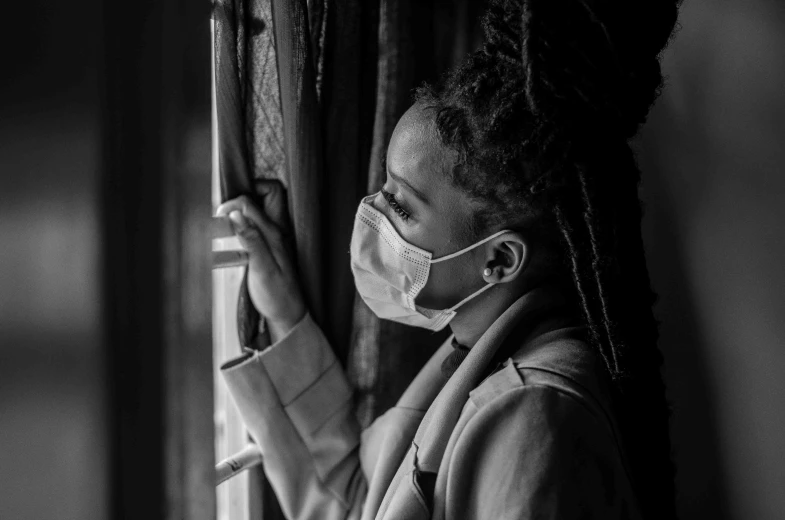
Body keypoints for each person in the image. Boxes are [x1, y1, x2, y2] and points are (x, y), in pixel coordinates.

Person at [215, 0, 680, 518]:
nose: (371, 216)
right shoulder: (472, 350)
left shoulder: (534, 413)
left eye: (399, 205)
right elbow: (362, 498)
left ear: (500, 260)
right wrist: (284, 316)